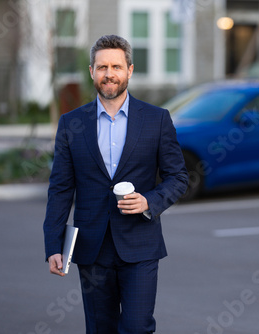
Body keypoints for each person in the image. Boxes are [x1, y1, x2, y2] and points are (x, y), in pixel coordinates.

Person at [43, 34, 188, 334]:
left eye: (116, 67)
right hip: (91, 248)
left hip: (140, 246)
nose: (109, 74)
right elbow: (60, 188)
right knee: (100, 329)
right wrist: (53, 245)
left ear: (130, 71)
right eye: (102, 67)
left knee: (137, 327)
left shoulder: (157, 119)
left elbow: (178, 177)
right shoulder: (72, 123)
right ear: (91, 71)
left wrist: (150, 201)